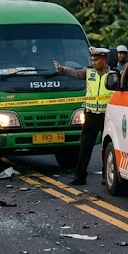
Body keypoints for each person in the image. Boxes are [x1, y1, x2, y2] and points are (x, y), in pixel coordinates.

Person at [54, 46, 112, 186]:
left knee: (108, 149)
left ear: (104, 60)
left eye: (96, 60)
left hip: (107, 117)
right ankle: (80, 177)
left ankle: (107, 176)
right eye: (92, 60)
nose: (93, 63)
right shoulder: (89, 72)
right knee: (85, 148)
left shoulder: (113, 74)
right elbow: (75, 73)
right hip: (91, 116)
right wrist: (62, 69)